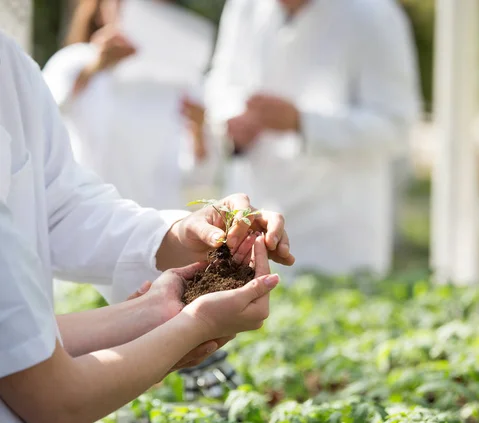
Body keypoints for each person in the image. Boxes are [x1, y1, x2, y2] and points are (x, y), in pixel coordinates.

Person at [0, 27, 296, 421]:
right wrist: (190, 326)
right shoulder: (73, 63)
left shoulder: (9, 62)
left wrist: (175, 238)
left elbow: (56, 202)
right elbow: (54, 397)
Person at [204, 0, 422, 280]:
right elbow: (222, 82)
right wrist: (231, 119)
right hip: (252, 219)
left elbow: (396, 127)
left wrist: (303, 123)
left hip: (338, 234)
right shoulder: (245, 7)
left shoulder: (376, 14)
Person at [42, 0, 215, 209]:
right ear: (101, 9)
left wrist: (197, 130)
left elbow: (199, 176)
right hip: (91, 215)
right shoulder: (74, 61)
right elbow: (43, 113)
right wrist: (95, 67)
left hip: (157, 220)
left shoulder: (182, 77)